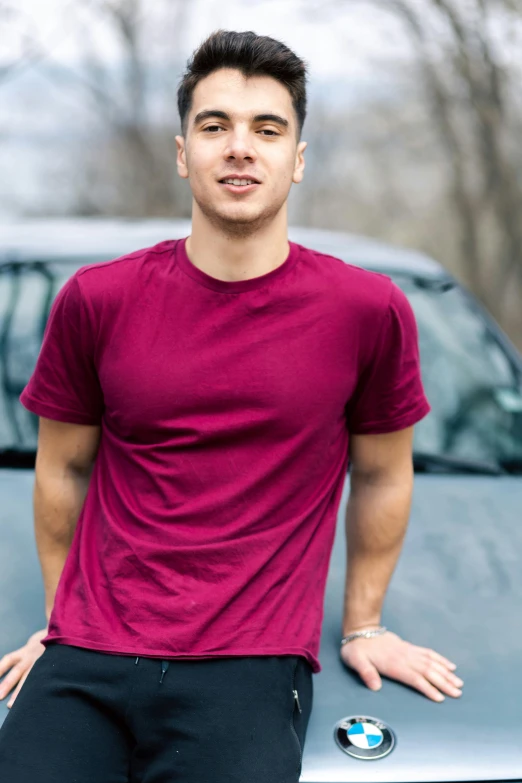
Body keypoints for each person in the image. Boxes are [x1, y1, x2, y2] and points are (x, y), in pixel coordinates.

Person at [0, 28, 464, 783]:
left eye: (267, 129)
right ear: (184, 155)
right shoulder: (97, 300)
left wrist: (363, 624)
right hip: (88, 658)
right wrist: (62, 623)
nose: (239, 146)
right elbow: (63, 468)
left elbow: (381, 472)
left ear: (298, 159)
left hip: (248, 662)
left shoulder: (366, 309)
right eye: (214, 126)